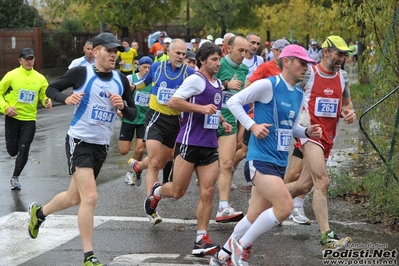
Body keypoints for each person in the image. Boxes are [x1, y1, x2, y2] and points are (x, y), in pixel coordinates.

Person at [27, 32, 137, 266]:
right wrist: (65, 98)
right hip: (79, 141)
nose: (114, 55)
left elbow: (134, 113)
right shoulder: (82, 73)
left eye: (116, 51)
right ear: (95, 52)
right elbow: (50, 90)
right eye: (109, 51)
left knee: (73, 196)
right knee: (90, 196)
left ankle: (39, 214)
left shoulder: (121, 79)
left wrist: (123, 108)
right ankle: (89, 256)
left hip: (101, 145)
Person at [210, 45, 321, 266]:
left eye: (308, 65)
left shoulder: (298, 93)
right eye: (302, 63)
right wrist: (252, 126)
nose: (306, 69)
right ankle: (241, 248)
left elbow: (291, 127)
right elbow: (233, 102)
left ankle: (223, 255)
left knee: (253, 215)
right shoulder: (267, 85)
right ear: (287, 61)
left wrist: (306, 132)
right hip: (260, 160)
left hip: (279, 162)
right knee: (285, 207)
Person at [144, 43, 232, 257]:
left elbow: (214, 107)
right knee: (177, 191)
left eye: (219, 59)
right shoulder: (195, 80)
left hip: (209, 144)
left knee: (208, 190)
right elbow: (174, 101)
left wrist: (222, 121)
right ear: (202, 61)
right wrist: (200, 108)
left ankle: (201, 238)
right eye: (213, 59)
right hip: (189, 142)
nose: (218, 63)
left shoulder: (218, 83)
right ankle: (156, 192)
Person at [285, 35, 356, 254]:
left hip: (329, 137)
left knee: (303, 186)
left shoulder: (342, 77)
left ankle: (262, 199)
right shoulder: (309, 75)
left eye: (344, 55)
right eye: (338, 54)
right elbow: (285, 90)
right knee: (322, 181)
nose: (342, 59)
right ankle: (327, 236)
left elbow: (347, 103)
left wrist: (349, 112)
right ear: (326, 52)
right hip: (309, 134)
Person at [128, 39, 195, 225]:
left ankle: (137, 166)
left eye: (184, 54)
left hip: (176, 121)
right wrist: (133, 87)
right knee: (156, 162)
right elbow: (144, 82)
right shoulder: (157, 67)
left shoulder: (189, 73)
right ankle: (152, 205)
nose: (181, 57)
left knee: (166, 158)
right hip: (156, 118)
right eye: (178, 53)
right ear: (169, 51)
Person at [232, 38, 291, 188]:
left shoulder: (289, 71)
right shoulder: (266, 68)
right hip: (258, 117)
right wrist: (253, 104)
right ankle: (228, 170)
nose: (286, 57)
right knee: (244, 151)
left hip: (277, 119)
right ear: (275, 52)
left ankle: (262, 182)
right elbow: (248, 85)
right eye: (283, 53)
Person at [0, 47, 52, 190]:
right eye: (26, 59)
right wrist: (5, 107)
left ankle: (15, 177)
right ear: (20, 60)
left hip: (29, 119)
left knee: (24, 148)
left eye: (31, 59)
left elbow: (44, 95)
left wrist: (47, 101)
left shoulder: (40, 78)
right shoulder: (11, 75)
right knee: (12, 151)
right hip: (13, 117)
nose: (29, 62)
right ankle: (14, 157)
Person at [214, 35, 249, 223]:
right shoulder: (217, 65)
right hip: (208, 121)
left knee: (227, 165)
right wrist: (226, 85)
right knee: (181, 183)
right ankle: (159, 191)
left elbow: (241, 101)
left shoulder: (244, 69)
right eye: (240, 51)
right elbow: (204, 87)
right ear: (228, 48)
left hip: (229, 124)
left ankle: (223, 207)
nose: (244, 55)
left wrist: (241, 127)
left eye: (246, 51)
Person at [120, 56, 153, 186]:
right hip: (129, 117)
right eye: (144, 67)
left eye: (149, 68)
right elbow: (121, 94)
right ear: (138, 66)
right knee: (124, 150)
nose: (147, 70)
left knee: (140, 149)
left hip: (144, 120)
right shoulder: (130, 79)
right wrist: (120, 108)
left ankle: (131, 172)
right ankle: (136, 165)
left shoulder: (152, 82)